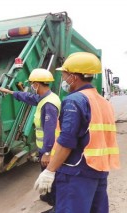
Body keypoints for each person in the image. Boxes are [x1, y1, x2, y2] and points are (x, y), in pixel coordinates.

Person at [34, 52, 120, 213]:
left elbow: (66, 141)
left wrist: (49, 171)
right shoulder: (103, 101)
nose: (63, 78)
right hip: (98, 170)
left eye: (65, 74)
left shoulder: (74, 100)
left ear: (74, 77)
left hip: (76, 172)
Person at [0, 68, 60, 210]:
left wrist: (46, 153)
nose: (32, 86)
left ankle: (55, 203)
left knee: (50, 175)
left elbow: (49, 131)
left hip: (49, 148)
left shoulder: (48, 104)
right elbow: (29, 97)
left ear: (37, 84)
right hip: (44, 147)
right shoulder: (46, 97)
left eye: (32, 84)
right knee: (45, 172)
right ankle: (47, 196)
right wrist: (11, 92)